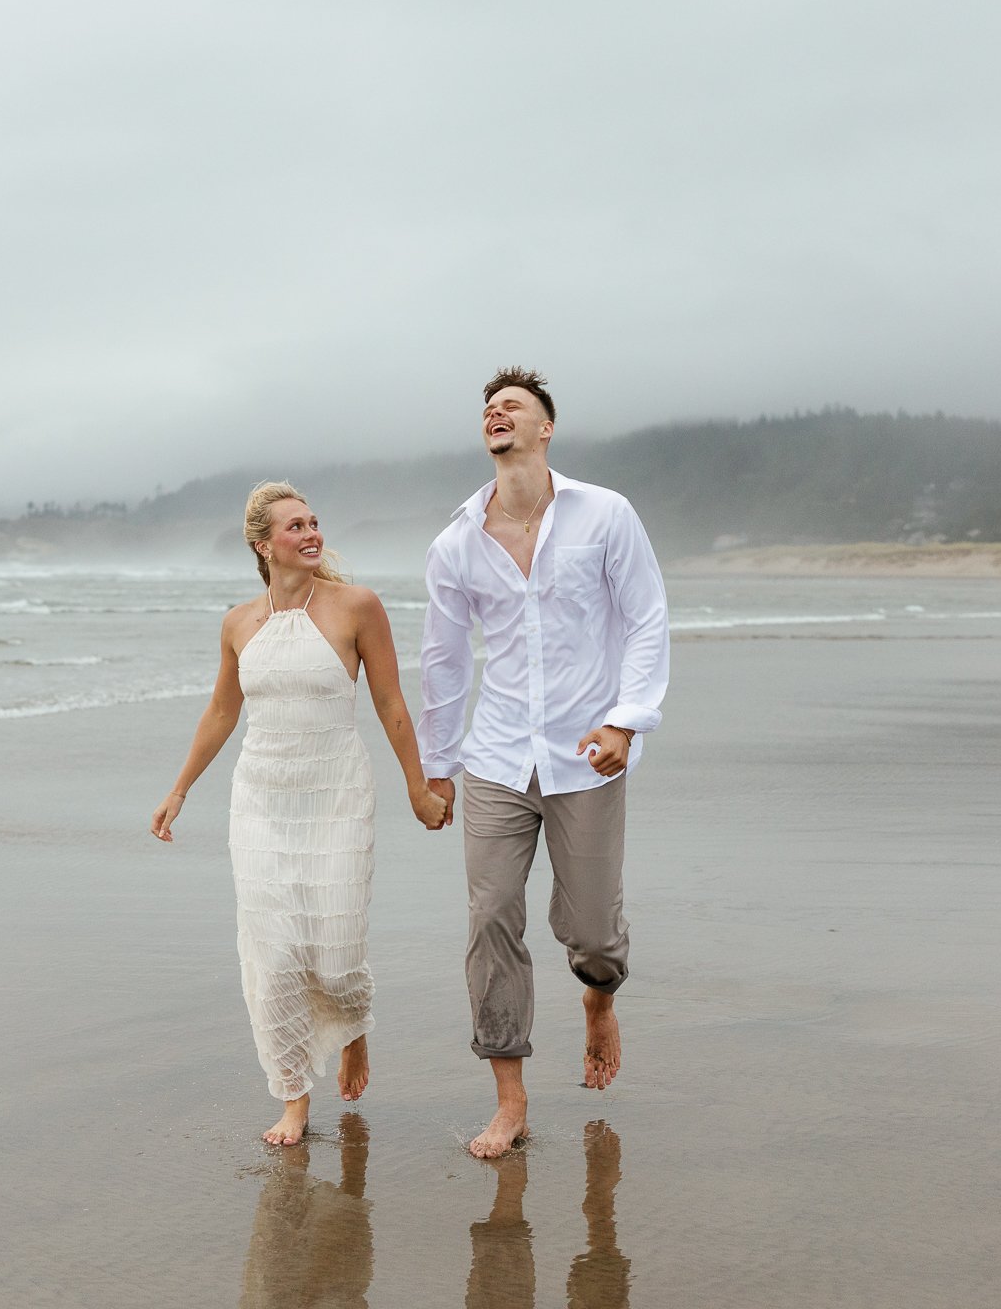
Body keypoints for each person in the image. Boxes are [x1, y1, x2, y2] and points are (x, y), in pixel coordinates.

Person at [419, 367, 670, 1159]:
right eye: (489, 407)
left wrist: (626, 721)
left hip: (586, 753)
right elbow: (444, 659)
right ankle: (510, 1099)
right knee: (491, 917)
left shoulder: (606, 515)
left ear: (545, 428)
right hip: (496, 756)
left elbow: (646, 618)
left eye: (514, 405)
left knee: (592, 931)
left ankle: (599, 999)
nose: (497, 412)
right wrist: (436, 766)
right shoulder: (456, 543)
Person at [153, 481, 449, 1145]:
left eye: (314, 523)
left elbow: (391, 704)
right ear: (264, 546)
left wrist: (418, 786)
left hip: (337, 792)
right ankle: (293, 1095)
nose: (312, 533)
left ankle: (352, 1029)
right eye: (295, 526)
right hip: (261, 800)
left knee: (337, 953)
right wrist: (179, 790)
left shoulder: (357, 607)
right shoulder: (238, 624)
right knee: (276, 954)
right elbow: (221, 712)